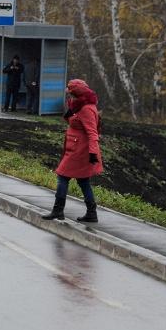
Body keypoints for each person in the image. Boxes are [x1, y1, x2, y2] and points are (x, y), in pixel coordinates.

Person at [42, 79, 103, 223]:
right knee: (83, 181)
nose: (68, 96)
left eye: (70, 94)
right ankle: (91, 213)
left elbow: (92, 132)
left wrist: (93, 153)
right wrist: (71, 111)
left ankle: (58, 210)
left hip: (80, 151)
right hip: (75, 147)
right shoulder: (78, 105)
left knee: (63, 176)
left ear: (76, 94)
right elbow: (74, 121)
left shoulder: (86, 108)